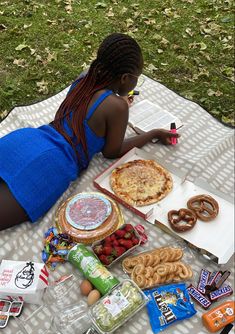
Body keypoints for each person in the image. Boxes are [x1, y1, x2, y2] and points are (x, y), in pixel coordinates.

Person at [0, 33, 179, 231]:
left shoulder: (85, 77)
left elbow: (90, 107)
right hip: (53, 164)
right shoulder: (117, 107)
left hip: (28, 139)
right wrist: (152, 133)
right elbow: (112, 152)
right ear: (125, 78)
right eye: (138, 78)